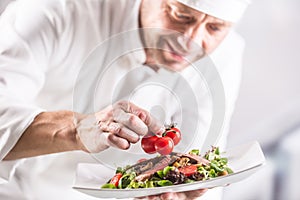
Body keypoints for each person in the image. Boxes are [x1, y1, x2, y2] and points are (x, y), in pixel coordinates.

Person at [0, 0, 249, 199]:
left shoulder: (225, 55)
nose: (191, 41)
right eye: (180, 16)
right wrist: (78, 130)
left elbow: (206, 174)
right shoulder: (58, 9)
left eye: (215, 28)